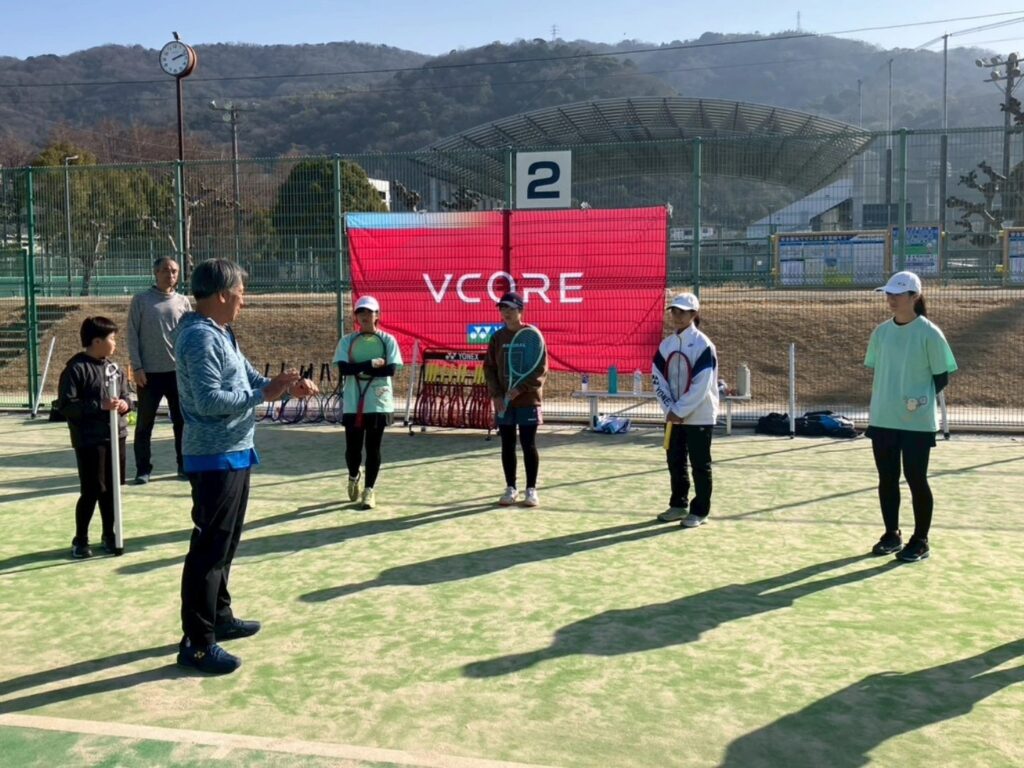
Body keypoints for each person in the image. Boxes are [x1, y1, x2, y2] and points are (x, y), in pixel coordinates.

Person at [174, 258, 317, 675]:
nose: (244, 300)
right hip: (214, 456)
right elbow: (208, 401)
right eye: (240, 292)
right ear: (221, 295)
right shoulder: (199, 337)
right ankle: (197, 643)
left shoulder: (222, 332)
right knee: (209, 550)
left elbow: (253, 381)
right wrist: (264, 395)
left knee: (226, 544)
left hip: (235, 450)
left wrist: (284, 385)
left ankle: (219, 617)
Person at [865, 271, 957, 563]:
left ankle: (920, 540)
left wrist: (917, 400)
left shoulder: (930, 333)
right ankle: (891, 534)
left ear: (914, 297)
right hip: (882, 418)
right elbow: (880, 369)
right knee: (887, 478)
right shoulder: (881, 332)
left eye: (898, 294)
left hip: (916, 423)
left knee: (916, 478)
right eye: (888, 293)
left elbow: (941, 377)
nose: (891, 299)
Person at [57, 316, 131, 558]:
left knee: (112, 490)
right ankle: (80, 539)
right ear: (97, 341)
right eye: (112, 338)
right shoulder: (76, 369)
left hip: (116, 436)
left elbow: (127, 396)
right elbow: (67, 405)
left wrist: (125, 404)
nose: (115, 343)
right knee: (92, 490)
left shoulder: (115, 369)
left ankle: (109, 535)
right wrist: (100, 405)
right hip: (90, 440)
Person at [652, 292, 719, 529]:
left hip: (700, 416)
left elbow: (702, 384)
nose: (677, 315)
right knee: (675, 461)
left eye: (683, 311)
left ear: (694, 314)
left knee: (700, 465)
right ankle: (678, 505)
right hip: (672, 416)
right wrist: (670, 409)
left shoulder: (703, 345)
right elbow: (657, 378)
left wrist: (679, 410)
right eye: (674, 310)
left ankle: (700, 511)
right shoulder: (666, 345)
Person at [332, 295, 403, 510]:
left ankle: (369, 490)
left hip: (378, 401)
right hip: (353, 402)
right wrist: (371, 364)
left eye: (369, 311)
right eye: (360, 312)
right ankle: (354, 475)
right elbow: (344, 369)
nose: (364, 315)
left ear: (377, 315)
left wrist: (359, 368)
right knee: (353, 450)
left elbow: (390, 369)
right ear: (356, 316)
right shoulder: (347, 341)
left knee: (373, 448)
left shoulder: (388, 340)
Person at [127, 257, 192, 484]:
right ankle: (143, 470)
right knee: (144, 425)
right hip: (149, 374)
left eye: (174, 271)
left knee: (182, 423)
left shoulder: (183, 302)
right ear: (155, 273)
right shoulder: (141, 300)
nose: (170, 275)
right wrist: (137, 367)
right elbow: (132, 335)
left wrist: (189, 368)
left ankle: (184, 466)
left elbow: (190, 335)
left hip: (177, 373)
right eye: (165, 270)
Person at [483, 291, 548, 507]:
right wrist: (496, 395)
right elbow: (489, 368)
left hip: (528, 401)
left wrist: (520, 389)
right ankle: (511, 488)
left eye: (510, 308)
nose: (506, 313)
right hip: (504, 402)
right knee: (507, 445)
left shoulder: (533, 335)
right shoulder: (497, 338)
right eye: (502, 308)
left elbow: (540, 370)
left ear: (521, 310)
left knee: (528, 444)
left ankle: (531, 490)